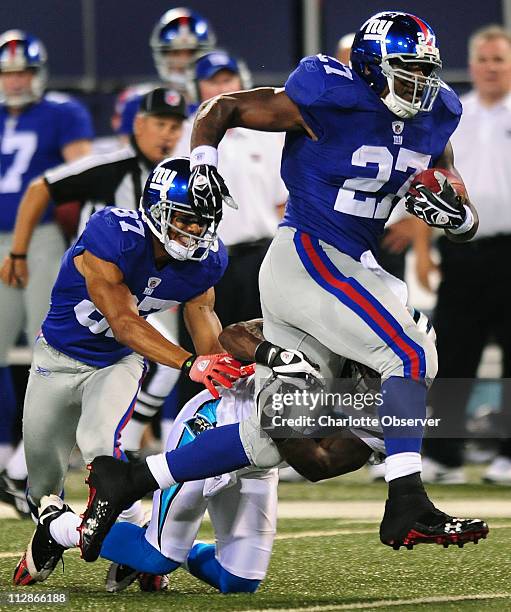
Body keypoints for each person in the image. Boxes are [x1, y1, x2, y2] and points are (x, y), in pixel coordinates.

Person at [77, 11, 490, 558]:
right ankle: (407, 499)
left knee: (271, 440)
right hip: (308, 253)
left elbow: (454, 197)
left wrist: (456, 218)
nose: (420, 84)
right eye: (406, 70)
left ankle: (133, 479)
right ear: (370, 68)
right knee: (411, 356)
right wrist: (202, 161)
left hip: (349, 263)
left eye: (425, 70)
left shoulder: (436, 113)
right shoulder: (327, 95)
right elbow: (220, 108)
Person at [12, 157, 242, 586]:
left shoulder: (207, 262)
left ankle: (141, 547)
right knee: (41, 487)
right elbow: (123, 321)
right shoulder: (113, 234)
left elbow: (204, 318)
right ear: (156, 208)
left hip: (116, 362)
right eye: (186, 219)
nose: (195, 232)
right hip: (56, 359)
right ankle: (53, 527)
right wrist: (192, 364)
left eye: (203, 223)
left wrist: (221, 377)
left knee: (103, 454)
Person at [0, 87, 188, 513]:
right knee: (156, 365)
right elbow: (40, 188)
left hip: (140, 290)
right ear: (137, 124)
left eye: (175, 126)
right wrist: (18, 251)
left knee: (156, 369)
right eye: (160, 123)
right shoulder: (112, 165)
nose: (167, 134)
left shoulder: (175, 177)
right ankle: (113, 458)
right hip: (96, 290)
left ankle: (34, 466)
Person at [0, 29, 93, 495]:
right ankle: (10, 446)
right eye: (8, 74)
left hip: (39, 237)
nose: (15, 83)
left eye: (23, 73)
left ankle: (51, 444)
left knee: (53, 343)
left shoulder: (62, 113)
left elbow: (84, 174)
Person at [418, 25, 511, 485]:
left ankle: (508, 456)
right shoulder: (453, 113)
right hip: (462, 247)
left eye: (500, 59)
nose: (492, 67)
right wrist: (423, 244)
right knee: (452, 352)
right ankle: (445, 455)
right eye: (485, 59)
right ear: (471, 64)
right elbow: (426, 181)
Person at [118, 7, 216, 137]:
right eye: (175, 53)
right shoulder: (140, 103)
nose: (183, 62)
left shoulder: (217, 104)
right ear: (162, 55)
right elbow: (130, 152)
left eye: (191, 52)